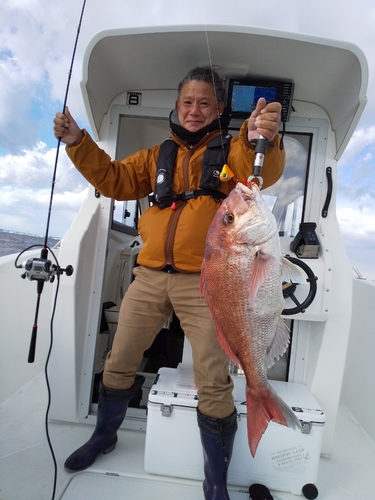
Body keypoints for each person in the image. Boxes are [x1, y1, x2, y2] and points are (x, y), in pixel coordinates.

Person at [53, 66, 285, 500]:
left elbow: (262, 170)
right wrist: (78, 143)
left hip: (211, 283)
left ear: (218, 110)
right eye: (187, 103)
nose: (194, 111)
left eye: (204, 104)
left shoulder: (232, 151)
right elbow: (114, 181)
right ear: (177, 107)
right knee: (119, 359)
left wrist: (262, 136)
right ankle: (105, 436)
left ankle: (215, 479)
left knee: (213, 379)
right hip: (150, 276)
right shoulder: (155, 155)